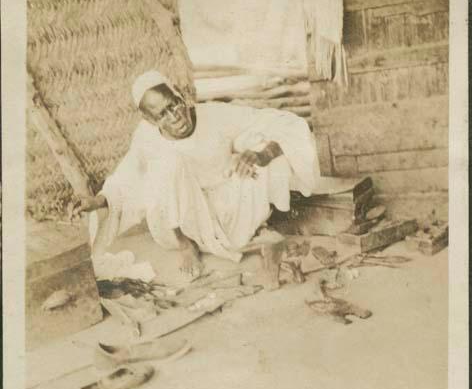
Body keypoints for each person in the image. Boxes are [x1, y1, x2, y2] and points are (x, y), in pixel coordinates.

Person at [75, 70, 321, 278]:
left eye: (174, 105)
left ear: (180, 96)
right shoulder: (146, 136)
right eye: (162, 114)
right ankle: (188, 246)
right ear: (151, 121)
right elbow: (127, 176)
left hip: (224, 206)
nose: (175, 117)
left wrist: (262, 155)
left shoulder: (214, 114)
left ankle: (244, 232)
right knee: (167, 163)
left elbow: (285, 124)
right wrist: (99, 200)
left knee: (265, 149)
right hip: (179, 223)